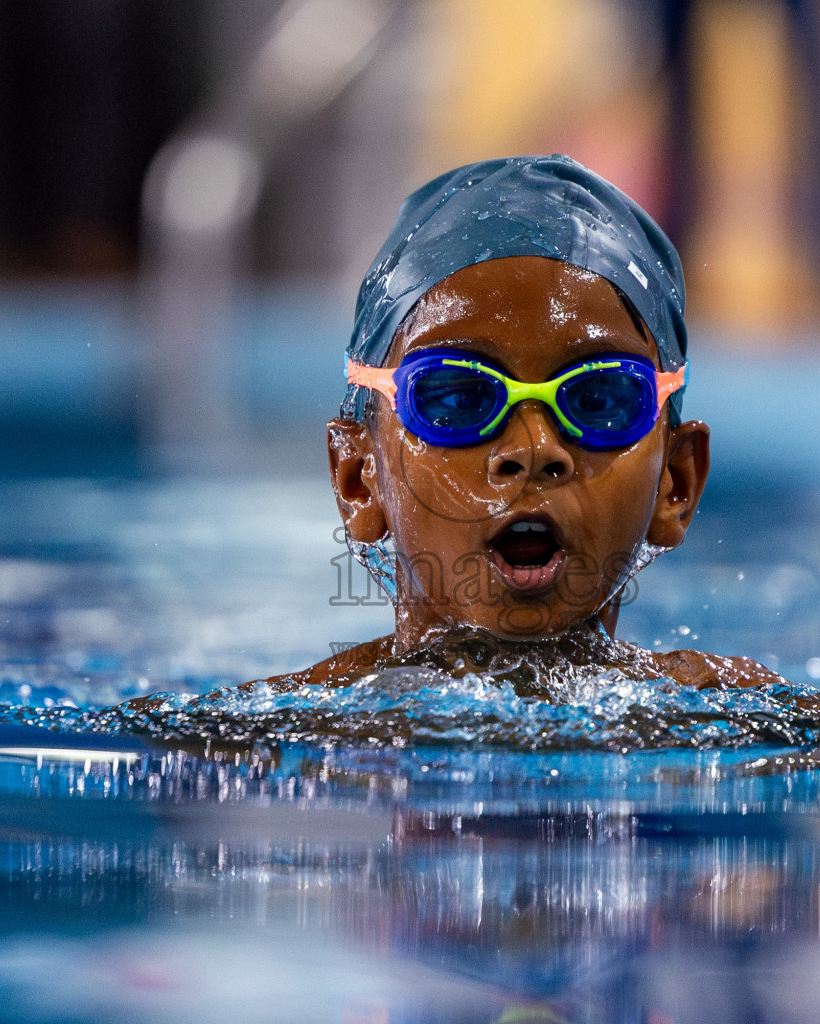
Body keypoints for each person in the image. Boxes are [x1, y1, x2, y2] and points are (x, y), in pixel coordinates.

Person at [271, 155, 784, 694]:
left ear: (675, 484)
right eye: (459, 397)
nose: (535, 447)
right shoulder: (268, 745)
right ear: (358, 478)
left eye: (597, 397)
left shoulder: (742, 719)